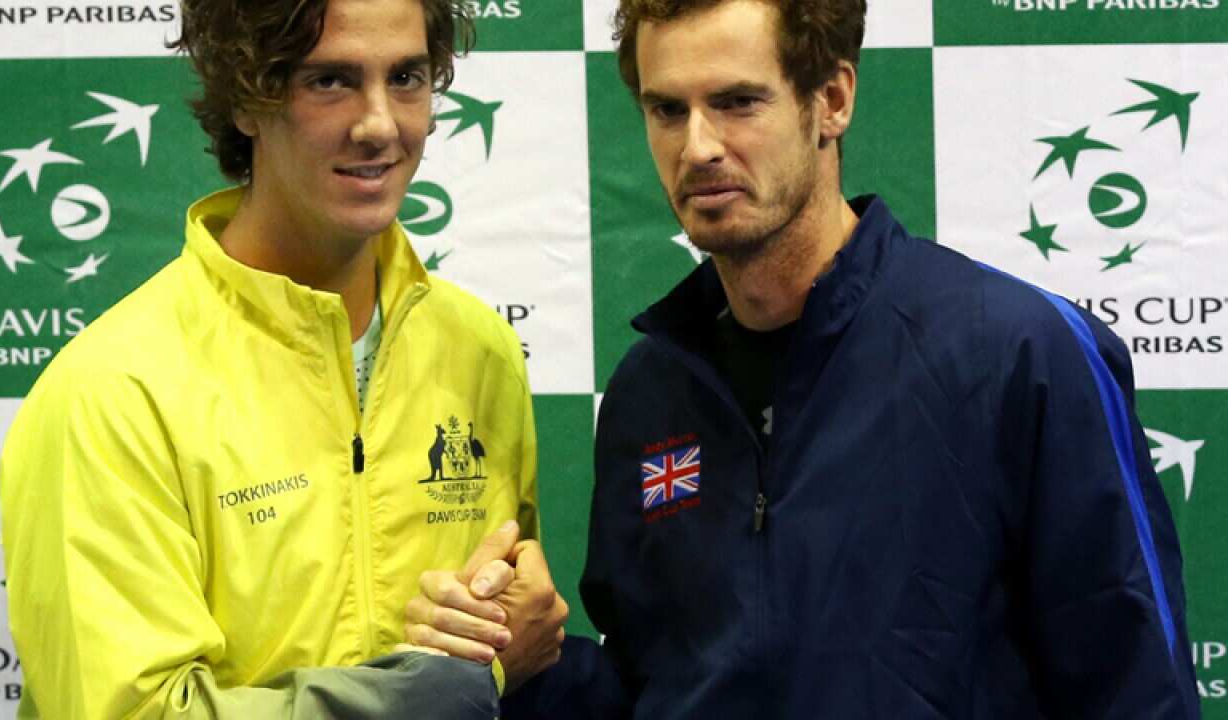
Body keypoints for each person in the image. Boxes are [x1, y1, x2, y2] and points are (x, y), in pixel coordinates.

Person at [405, 0, 1203, 716]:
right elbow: (656, 686)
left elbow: (1135, 687)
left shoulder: (1021, 350)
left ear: (833, 99)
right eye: (666, 109)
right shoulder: (650, 386)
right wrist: (524, 662)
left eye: (737, 102)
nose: (699, 146)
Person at [0, 0, 566, 716]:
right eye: (330, 81)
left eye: (408, 78)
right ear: (245, 98)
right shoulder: (112, 392)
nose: (380, 124)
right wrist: (436, 693)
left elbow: (506, 640)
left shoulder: (478, 347)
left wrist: (508, 621)